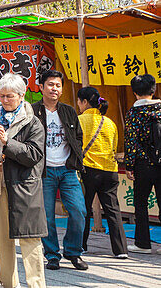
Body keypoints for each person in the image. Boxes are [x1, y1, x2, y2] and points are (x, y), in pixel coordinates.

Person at [0, 72, 47, 288]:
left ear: (22, 95)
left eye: (10, 96)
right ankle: (7, 283)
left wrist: (7, 141)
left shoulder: (33, 122)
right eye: (2, 96)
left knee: (31, 240)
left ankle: (36, 285)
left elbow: (34, 155)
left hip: (25, 188)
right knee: (2, 240)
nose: (5, 100)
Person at [30, 69, 87, 271]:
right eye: (50, 85)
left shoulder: (69, 111)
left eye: (58, 85)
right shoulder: (32, 111)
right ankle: (52, 255)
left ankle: (73, 252)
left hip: (67, 169)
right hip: (44, 171)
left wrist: (74, 158)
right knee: (46, 216)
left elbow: (78, 137)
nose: (55, 89)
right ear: (41, 87)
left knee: (79, 211)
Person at [77, 86, 127, 258]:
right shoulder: (110, 123)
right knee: (113, 210)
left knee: (83, 209)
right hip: (110, 170)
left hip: (88, 169)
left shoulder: (79, 120)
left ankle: (81, 245)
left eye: (79, 101)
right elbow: (114, 147)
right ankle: (121, 250)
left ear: (84, 102)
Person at [126, 73, 161, 254]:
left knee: (141, 203)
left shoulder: (134, 112)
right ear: (153, 90)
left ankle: (143, 244)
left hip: (143, 164)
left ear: (134, 92)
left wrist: (129, 166)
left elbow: (131, 141)